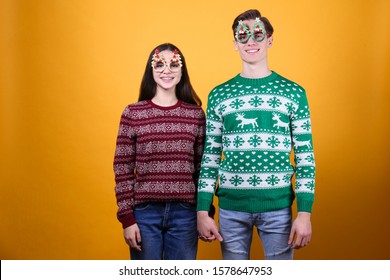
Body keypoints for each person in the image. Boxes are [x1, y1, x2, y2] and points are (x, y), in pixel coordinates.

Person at [196, 9, 316, 260]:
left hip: (278, 208)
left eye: (258, 34)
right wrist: (202, 211)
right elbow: (210, 157)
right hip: (231, 209)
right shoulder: (219, 94)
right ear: (235, 43)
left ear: (270, 40)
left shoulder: (293, 92)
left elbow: (305, 157)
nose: (250, 41)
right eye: (243, 35)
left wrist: (304, 213)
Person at [113, 43, 206, 260]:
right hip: (144, 213)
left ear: (182, 71)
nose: (167, 70)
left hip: (185, 213)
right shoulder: (132, 113)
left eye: (174, 64)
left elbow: (203, 168)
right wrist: (127, 218)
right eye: (159, 65)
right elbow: (122, 168)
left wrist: (204, 211)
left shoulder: (196, 115)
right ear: (150, 70)